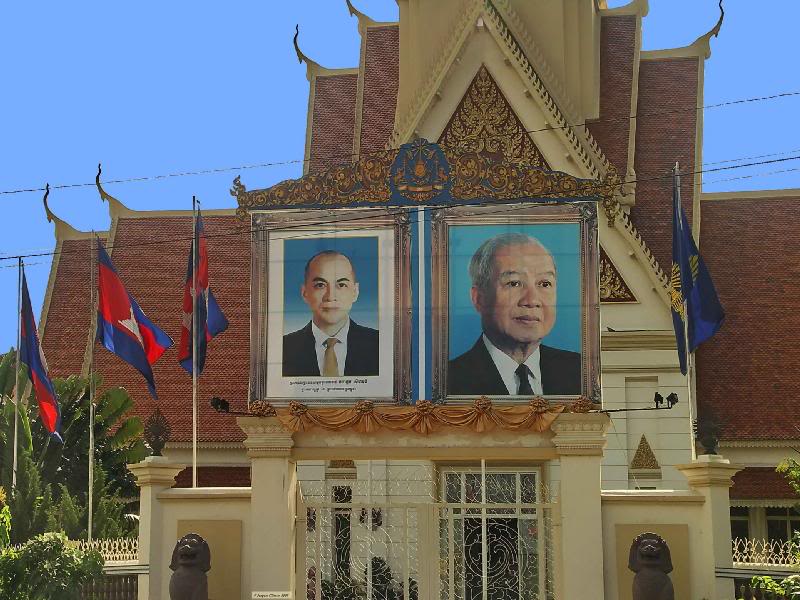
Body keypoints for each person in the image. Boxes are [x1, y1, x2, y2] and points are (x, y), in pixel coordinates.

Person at [448, 233, 581, 396]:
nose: (532, 300)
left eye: (544, 284)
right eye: (514, 283)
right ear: (479, 299)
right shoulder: (449, 382)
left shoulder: (580, 372)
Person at [283, 250, 379, 377]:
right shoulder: (283, 348)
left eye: (341, 284)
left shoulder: (379, 345)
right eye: (320, 285)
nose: (330, 296)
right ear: (305, 293)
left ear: (355, 292)